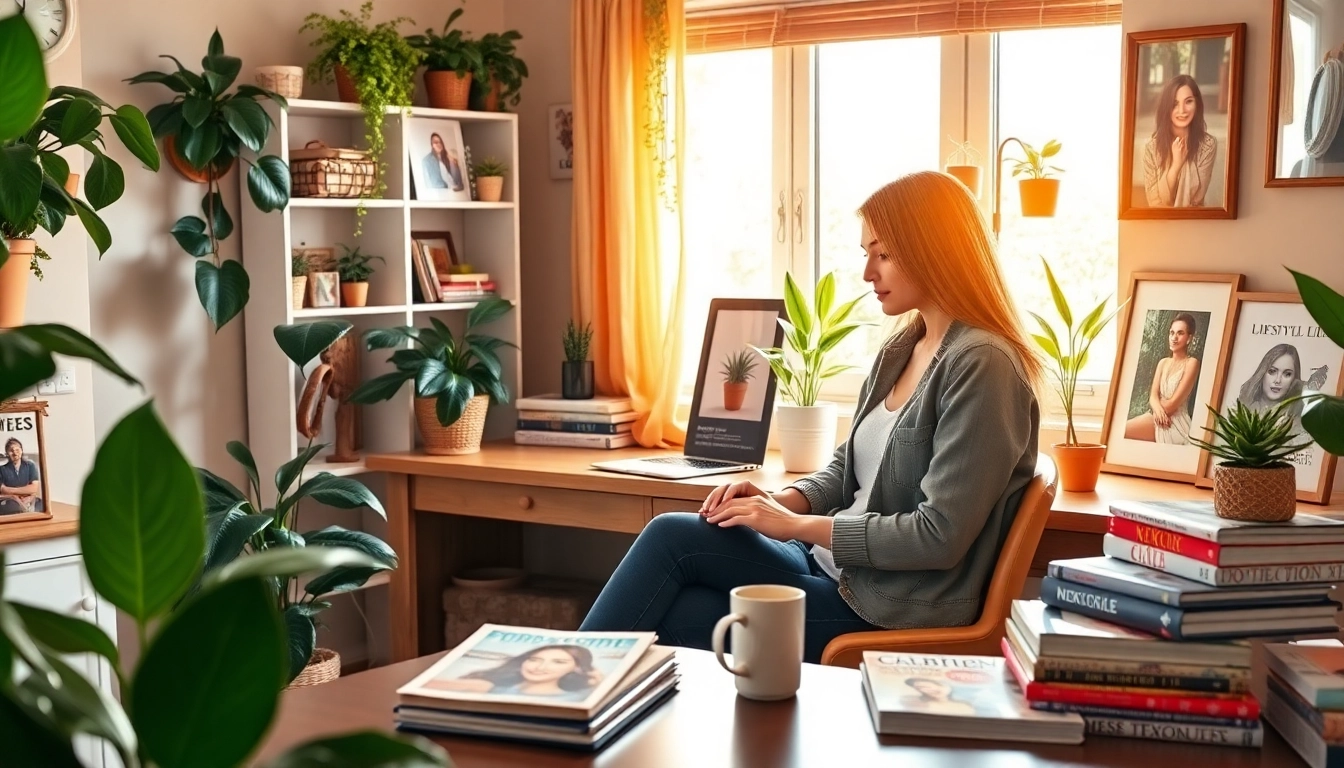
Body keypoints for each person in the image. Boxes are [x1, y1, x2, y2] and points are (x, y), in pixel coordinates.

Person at [579, 171, 1042, 663]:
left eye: (883, 254)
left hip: (892, 606)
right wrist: (780, 501)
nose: (867, 273)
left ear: (935, 249)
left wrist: (793, 526)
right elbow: (848, 470)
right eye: (866, 253)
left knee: (678, 578)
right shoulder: (903, 346)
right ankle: (567, 699)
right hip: (834, 570)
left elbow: (937, 537)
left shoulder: (983, 363)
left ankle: (560, 693)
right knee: (679, 560)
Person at [1124, 313, 1201, 444]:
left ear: (1189, 338)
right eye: (1172, 333)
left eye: (1180, 333)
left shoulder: (1192, 363)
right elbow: (1153, 396)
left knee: (1124, 430)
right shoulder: (1163, 362)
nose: (1174, 338)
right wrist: (1158, 411)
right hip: (1158, 417)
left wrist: (1158, 409)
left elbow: (1173, 404)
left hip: (1175, 423)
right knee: (1122, 430)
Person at [1143, 74, 1218, 207]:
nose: (1182, 111)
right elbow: (1154, 202)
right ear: (1166, 107)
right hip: (1159, 225)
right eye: (1175, 104)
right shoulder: (1151, 148)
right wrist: (1176, 165)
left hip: (1194, 223)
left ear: (1197, 104)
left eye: (1188, 101)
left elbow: (1195, 200)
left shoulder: (1208, 145)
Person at [426, 645, 602, 700]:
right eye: (534, 659)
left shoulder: (579, 696)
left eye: (558, 662)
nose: (539, 667)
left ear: (576, 669)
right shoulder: (488, 687)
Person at [1237, 343, 1306, 432]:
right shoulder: (1244, 406)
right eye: (1272, 371)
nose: (1278, 380)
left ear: (1294, 378)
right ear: (1262, 373)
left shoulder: (1299, 416)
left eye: (1287, 374)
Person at [0, 437, 41, 514]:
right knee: (12, 507)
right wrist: (14, 497)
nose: (15, 453)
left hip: (29, 499)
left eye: (17, 450)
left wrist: (30, 496)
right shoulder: (1, 469)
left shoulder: (30, 465)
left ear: (22, 451)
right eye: (11, 451)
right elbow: (3, 490)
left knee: (40, 505)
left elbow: (33, 488)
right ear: (6, 453)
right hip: (9, 501)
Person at [899, 677, 977, 715]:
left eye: (927, 686)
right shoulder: (920, 706)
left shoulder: (964, 706)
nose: (925, 690)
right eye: (919, 688)